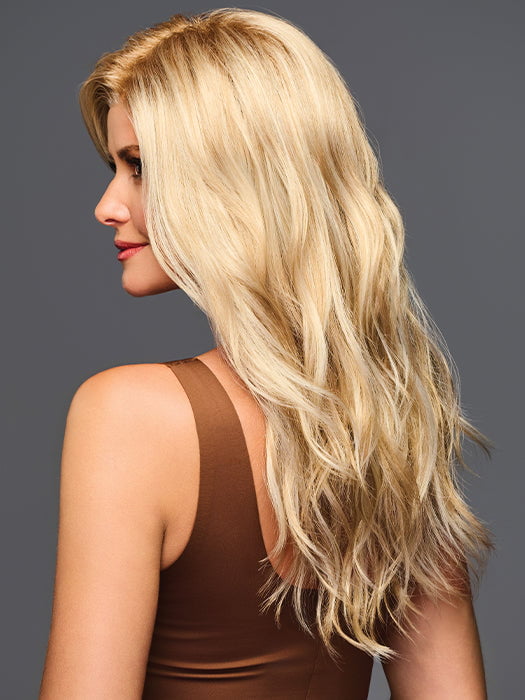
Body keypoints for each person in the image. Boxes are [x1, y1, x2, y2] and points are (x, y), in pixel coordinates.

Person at [39, 7, 494, 699]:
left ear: (234, 179)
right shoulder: (394, 432)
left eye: (139, 167)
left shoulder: (130, 415)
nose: (107, 205)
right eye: (115, 167)